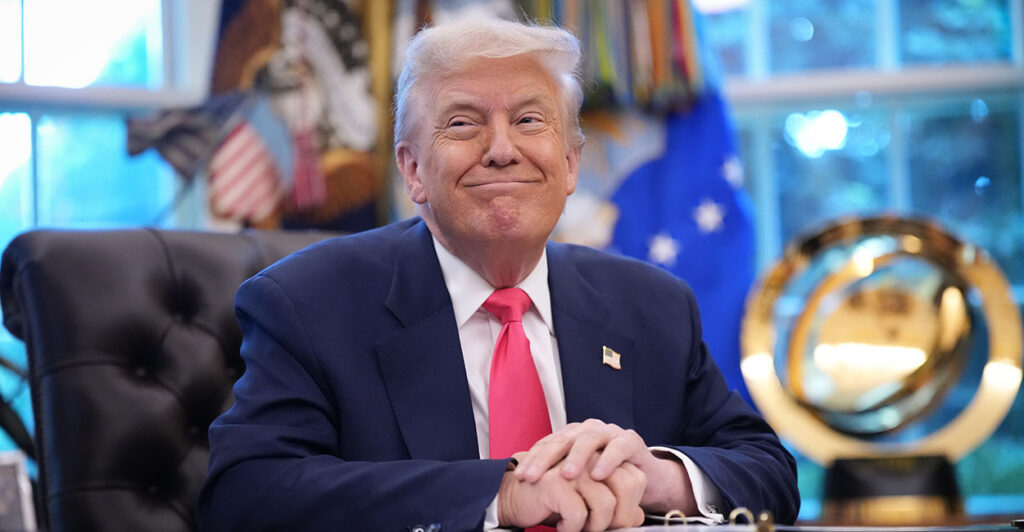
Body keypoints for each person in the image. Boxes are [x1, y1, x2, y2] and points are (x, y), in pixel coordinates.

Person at [197, 18, 799, 532]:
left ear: (570, 164)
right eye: (463, 124)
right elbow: (245, 493)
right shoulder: (306, 303)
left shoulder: (651, 304)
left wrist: (658, 477)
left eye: (531, 120)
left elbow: (768, 470)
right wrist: (499, 494)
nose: (502, 149)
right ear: (413, 170)